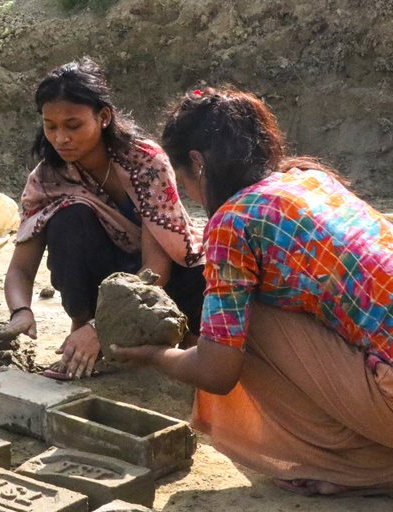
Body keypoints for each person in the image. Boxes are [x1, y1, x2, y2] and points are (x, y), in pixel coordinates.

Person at [112, 86, 393, 495]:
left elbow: (216, 372)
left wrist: (155, 356)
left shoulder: (234, 220)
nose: (189, 193)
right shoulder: (311, 181)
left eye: (185, 180)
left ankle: (362, 466)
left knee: (238, 328)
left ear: (197, 163)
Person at [0, 57, 205, 380]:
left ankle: (163, 346)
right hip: (104, 282)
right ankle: (84, 340)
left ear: (103, 117)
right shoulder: (46, 179)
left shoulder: (145, 163)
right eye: (51, 126)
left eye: (72, 126)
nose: (60, 138)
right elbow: (20, 268)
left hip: (162, 280)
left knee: (202, 282)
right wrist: (21, 311)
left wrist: (100, 327)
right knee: (67, 219)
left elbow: (156, 270)